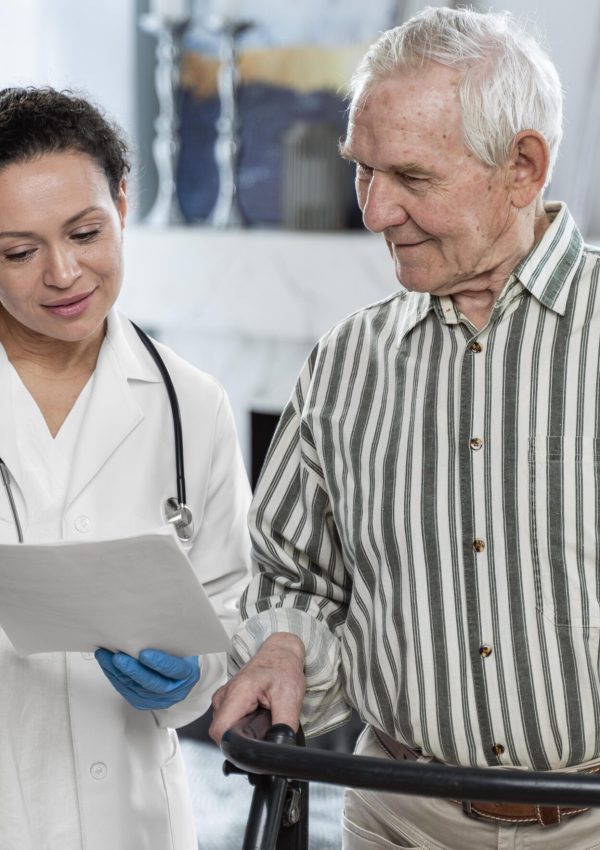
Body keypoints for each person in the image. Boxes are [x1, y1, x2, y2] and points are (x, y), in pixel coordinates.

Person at [210, 6, 600, 849]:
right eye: (362, 170)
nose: (376, 210)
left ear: (523, 168)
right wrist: (281, 648)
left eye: (412, 177)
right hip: (397, 815)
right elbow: (294, 576)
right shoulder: (345, 362)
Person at [0, 87, 251, 850]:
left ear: (121, 202)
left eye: (85, 233)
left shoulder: (192, 407)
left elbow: (232, 619)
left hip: (133, 821)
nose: (63, 273)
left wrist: (195, 672)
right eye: (18, 252)